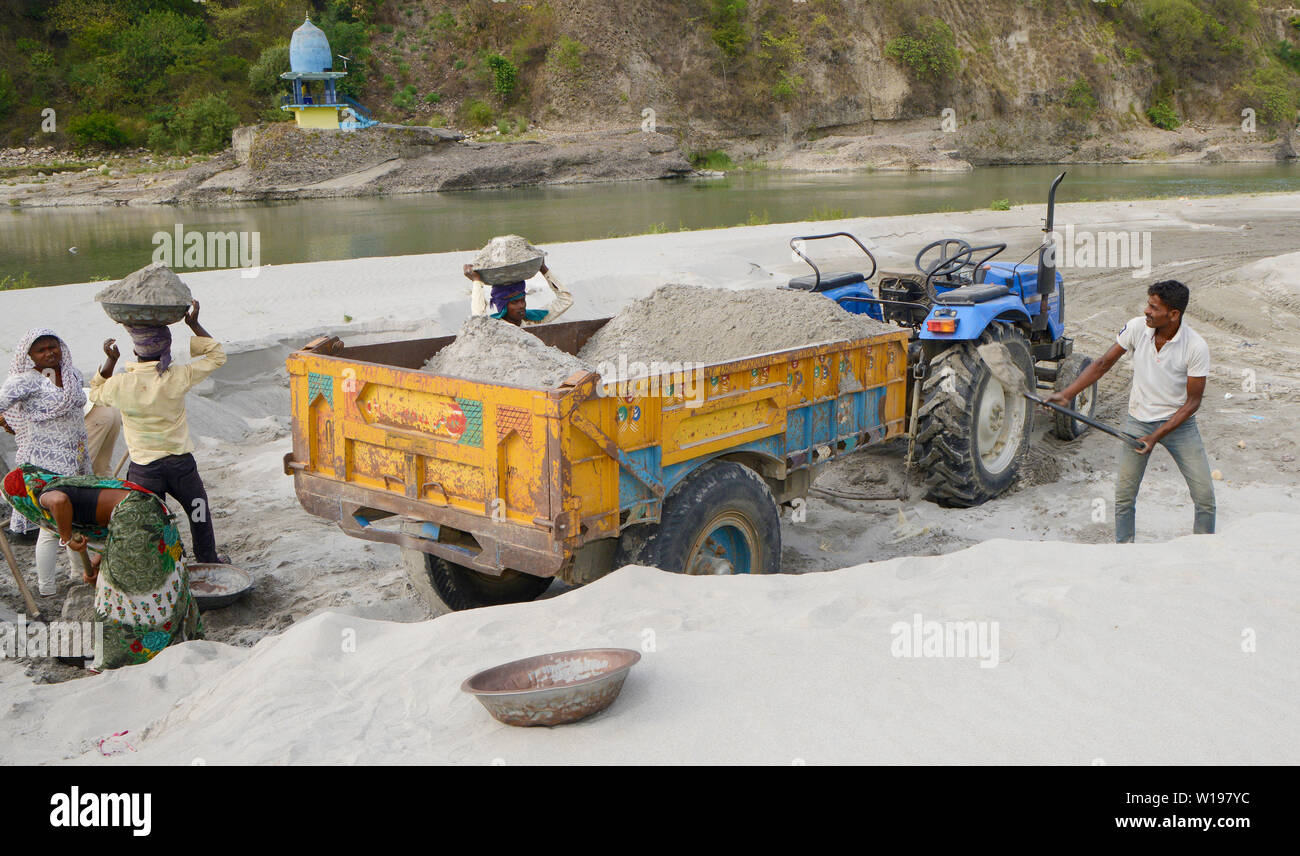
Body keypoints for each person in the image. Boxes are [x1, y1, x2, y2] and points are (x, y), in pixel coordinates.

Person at [1047, 280, 1214, 543]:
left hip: (1179, 425)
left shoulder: (1195, 347)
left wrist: (1156, 435)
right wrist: (1068, 394)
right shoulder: (1137, 327)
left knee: (1205, 497)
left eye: (1153, 307)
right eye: (1148, 304)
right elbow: (1103, 364)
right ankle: (1124, 550)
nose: (1146, 310)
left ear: (1173, 315)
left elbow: (1193, 403)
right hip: (1137, 422)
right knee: (1124, 497)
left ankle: (1204, 549)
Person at [4, 463, 202, 670]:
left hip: (135, 517)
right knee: (164, 580)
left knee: (114, 592)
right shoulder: (73, 485)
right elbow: (112, 529)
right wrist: (97, 564)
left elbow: (59, 502)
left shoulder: (45, 493)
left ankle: (119, 658)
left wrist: (66, 537)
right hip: (148, 510)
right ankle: (179, 638)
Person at [88, 299, 227, 564]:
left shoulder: (121, 384)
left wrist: (110, 361)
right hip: (181, 466)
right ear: (167, 346)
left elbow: (95, 392)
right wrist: (194, 324)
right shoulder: (177, 376)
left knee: (156, 522)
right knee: (198, 512)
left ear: (136, 349)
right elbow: (217, 356)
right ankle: (208, 559)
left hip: (144, 470)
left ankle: (174, 561)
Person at [0, 329, 91, 595]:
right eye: (42, 350)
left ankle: (78, 573)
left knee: (74, 519)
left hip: (76, 457)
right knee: (50, 527)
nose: (50, 352)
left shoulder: (72, 374)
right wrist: (7, 422)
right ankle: (47, 588)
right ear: (30, 356)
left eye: (53, 346)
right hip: (44, 461)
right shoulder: (24, 381)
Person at [465, 261, 573, 327]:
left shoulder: (533, 321)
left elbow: (566, 300)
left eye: (522, 300)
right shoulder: (494, 327)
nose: (521, 305)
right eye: (514, 302)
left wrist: (544, 270)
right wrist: (476, 281)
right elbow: (478, 318)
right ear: (503, 306)